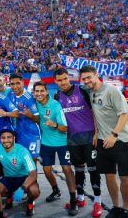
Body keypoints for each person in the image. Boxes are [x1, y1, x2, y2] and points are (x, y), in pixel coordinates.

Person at [80, 65, 128, 218]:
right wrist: (97, 133)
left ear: (96, 75)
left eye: (88, 77)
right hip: (103, 141)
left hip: (120, 140)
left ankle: (126, 209)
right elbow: (96, 115)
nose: (86, 81)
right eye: (83, 79)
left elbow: (125, 114)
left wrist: (114, 135)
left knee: (124, 176)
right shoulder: (91, 93)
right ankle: (116, 207)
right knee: (109, 176)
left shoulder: (111, 91)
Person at [53, 68, 102, 217]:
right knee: (79, 170)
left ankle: (97, 202)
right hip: (72, 139)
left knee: (93, 169)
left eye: (65, 79)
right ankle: (80, 198)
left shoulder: (83, 90)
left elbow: (95, 111)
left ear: (69, 78)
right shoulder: (56, 96)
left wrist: (96, 132)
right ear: (55, 81)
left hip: (89, 137)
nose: (63, 82)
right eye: (59, 80)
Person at [33, 81, 78, 216]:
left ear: (46, 92)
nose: (39, 94)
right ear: (34, 93)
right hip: (46, 143)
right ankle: (56, 190)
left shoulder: (55, 105)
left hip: (62, 143)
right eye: (37, 91)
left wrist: (55, 125)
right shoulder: (35, 104)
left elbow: (65, 128)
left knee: (66, 169)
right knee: (46, 170)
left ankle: (73, 200)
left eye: (42, 91)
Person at [0, 129, 40, 216]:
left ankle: (30, 203)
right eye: (3, 138)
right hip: (8, 177)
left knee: (34, 191)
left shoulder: (23, 151)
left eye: (9, 137)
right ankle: (9, 195)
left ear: (14, 138)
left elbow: (33, 174)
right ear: (0, 139)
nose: (6, 140)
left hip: (24, 178)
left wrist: (23, 188)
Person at [7, 73, 41, 161]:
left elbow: (38, 120)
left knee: (32, 162)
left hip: (32, 135)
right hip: (18, 134)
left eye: (18, 83)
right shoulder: (11, 94)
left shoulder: (29, 98)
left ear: (23, 83)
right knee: (21, 161)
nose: (15, 86)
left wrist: (30, 115)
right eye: (12, 84)